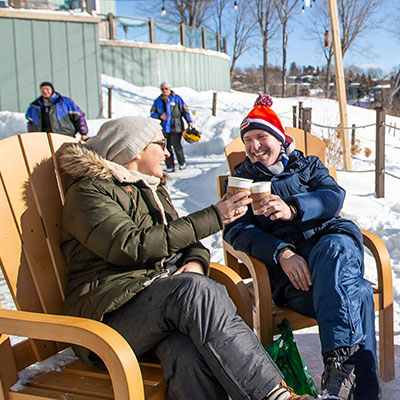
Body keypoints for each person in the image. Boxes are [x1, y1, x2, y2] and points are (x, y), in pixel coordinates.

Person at [57, 115, 315, 400]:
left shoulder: (150, 189)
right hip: (105, 318)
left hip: (154, 307)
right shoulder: (89, 193)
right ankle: (274, 396)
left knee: (186, 351)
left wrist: (193, 262)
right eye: (160, 143)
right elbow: (132, 245)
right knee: (194, 291)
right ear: (135, 150)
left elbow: (186, 241)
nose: (168, 152)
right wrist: (215, 216)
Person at [223, 95, 380, 400]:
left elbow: (333, 196)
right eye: (248, 140)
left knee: (333, 249)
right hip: (297, 279)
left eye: (261, 136)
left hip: (331, 245)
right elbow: (236, 231)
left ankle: (337, 367)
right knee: (357, 292)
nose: (255, 146)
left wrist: (293, 208)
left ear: (280, 139)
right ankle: (363, 393)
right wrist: (281, 252)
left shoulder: (307, 166)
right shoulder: (241, 183)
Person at [150, 82, 192, 172]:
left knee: (176, 145)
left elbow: (185, 111)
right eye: (162, 89)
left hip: (176, 126)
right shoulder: (158, 101)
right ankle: (170, 166)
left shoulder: (177, 99)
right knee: (166, 147)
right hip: (165, 127)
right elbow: (152, 113)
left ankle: (182, 163)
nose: (164, 91)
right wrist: (159, 116)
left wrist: (189, 121)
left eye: (166, 89)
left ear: (169, 89)